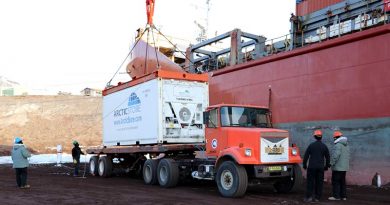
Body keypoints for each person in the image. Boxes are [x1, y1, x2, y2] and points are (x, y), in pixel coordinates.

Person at [303, 130, 330, 202]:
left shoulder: (311, 145)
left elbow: (306, 156)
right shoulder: (324, 146)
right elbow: (328, 157)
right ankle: (317, 197)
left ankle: (309, 197)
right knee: (319, 182)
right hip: (320, 167)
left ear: (314, 136)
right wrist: (327, 166)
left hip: (311, 167)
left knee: (310, 182)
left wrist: (304, 165)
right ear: (321, 137)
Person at [328, 131, 350, 201]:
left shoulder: (338, 145)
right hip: (344, 168)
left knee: (336, 182)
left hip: (338, 168)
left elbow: (335, 156)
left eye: (334, 138)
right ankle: (343, 196)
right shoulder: (346, 145)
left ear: (335, 138)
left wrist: (331, 163)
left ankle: (336, 196)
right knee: (342, 182)